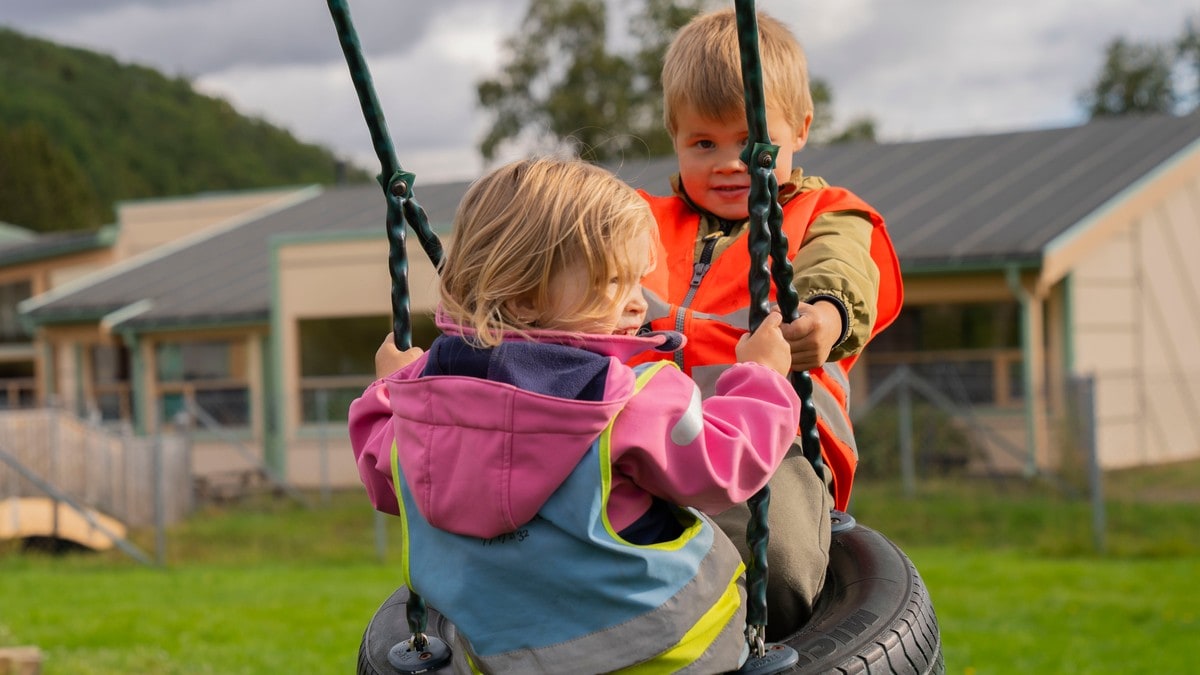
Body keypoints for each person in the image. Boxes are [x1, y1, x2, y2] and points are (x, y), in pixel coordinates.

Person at [349, 157, 806, 673]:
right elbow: (727, 468)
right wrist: (762, 376)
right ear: (521, 297)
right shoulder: (628, 400)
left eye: (639, 281)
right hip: (676, 648)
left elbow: (382, 478)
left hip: (511, 664)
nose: (639, 305)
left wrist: (391, 387)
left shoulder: (419, 412)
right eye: (614, 281)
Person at [631, 8, 904, 637]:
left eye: (752, 145)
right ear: (674, 136)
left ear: (800, 128)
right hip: (641, 428)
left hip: (775, 434)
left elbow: (841, 268)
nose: (730, 163)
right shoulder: (639, 220)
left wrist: (824, 316)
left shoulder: (826, 213)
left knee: (769, 566)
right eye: (705, 143)